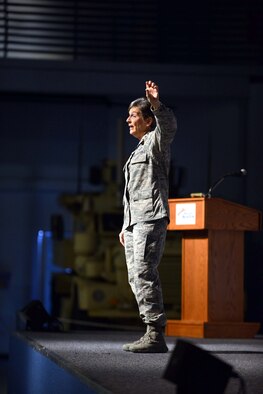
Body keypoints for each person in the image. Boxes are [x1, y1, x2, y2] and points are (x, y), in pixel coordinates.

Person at [119, 80, 177, 353]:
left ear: (148, 121)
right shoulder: (137, 152)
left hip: (151, 217)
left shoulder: (156, 143)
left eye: (133, 115)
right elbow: (130, 193)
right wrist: (124, 225)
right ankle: (150, 330)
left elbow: (169, 126)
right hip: (134, 222)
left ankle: (155, 333)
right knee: (135, 276)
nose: (128, 119)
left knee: (144, 271)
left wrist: (156, 104)